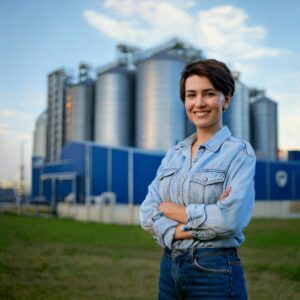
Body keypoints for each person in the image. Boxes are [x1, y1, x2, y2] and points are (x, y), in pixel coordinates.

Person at [139, 59, 256, 299]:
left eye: (209, 93)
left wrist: (173, 211)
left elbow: (230, 220)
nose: (199, 103)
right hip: (169, 269)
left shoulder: (239, 153)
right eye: (191, 95)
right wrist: (206, 219)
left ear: (227, 98)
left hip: (214, 271)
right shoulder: (173, 155)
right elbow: (146, 214)